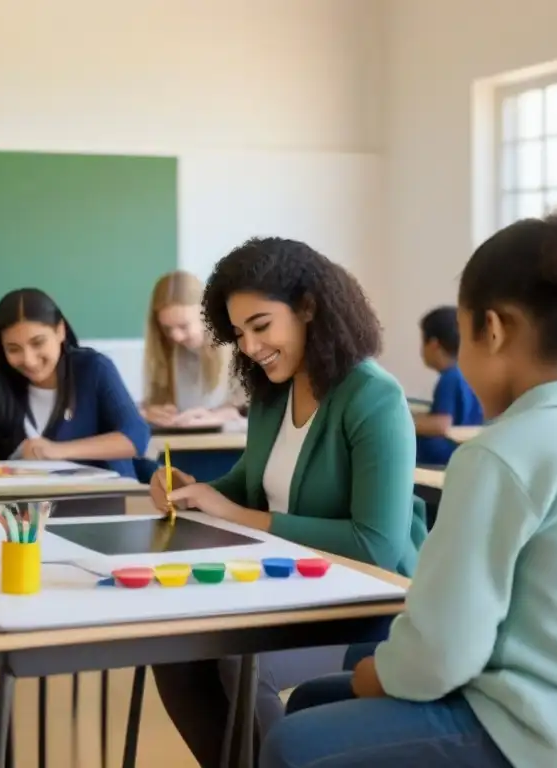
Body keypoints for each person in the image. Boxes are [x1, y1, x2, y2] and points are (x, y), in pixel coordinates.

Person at [260, 211, 557, 768]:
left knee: (293, 743)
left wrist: (378, 673)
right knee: (318, 696)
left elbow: (440, 656)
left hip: (534, 735)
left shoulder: (501, 454)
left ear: (493, 329)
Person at [147, 237, 428, 766]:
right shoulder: (272, 392)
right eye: (238, 333)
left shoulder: (373, 396)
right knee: (175, 653)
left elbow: (376, 546)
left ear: (308, 309)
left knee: (239, 660)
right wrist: (188, 490)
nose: (249, 347)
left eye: (261, 326)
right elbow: (248, 482)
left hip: (370, 608)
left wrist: (237, 514)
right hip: (290, 590)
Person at [0, 288, 150, 478]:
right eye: (13, 349)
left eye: (38, 343)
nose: (29, 360)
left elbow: (136, 437)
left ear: (60, 331)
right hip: (17, 516)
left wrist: (56, 451)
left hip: (96, 510)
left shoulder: (94, 369)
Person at [141, 270, 245, 427]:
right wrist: (148, 413)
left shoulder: (240, 345)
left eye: (183, 326)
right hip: (180, 444)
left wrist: (221, 416)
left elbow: (256, 415)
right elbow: (150, 405)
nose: (176, 337)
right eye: (167, 329)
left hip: (228, 444)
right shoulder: (164, 350)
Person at [413, 305, 483, 466]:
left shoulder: (450, 379)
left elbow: (441, 425)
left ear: (434, 344)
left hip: (442, 459)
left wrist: (401, 421)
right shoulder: (468, 374)